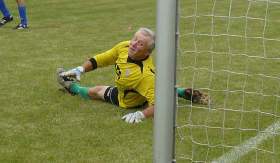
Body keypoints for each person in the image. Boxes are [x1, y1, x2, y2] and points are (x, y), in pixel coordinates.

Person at [55, 28, 210, 123]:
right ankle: (180, 92)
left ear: (149, 52)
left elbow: (160, 107)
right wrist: (80, 69)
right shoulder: (124, 46)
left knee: (95, 91)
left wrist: (141, 114)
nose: (134, 44)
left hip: (129, 99)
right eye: (135, 38)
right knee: (155, 88)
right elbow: (102, 59)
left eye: (140, 43)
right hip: (134, 86)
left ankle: (71, 87)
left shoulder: (145, 76)